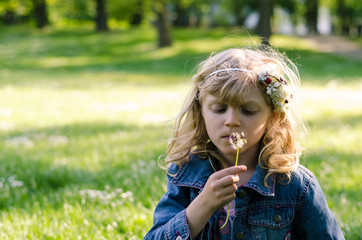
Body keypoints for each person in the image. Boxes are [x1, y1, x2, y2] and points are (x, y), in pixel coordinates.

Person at [144, 47, 344, 239]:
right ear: (201, 111)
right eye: (219, 109)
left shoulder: (295, 184)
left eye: (247, 111)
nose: (231, 120)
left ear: (272, 117)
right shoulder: (185, 172)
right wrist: (203, 204)